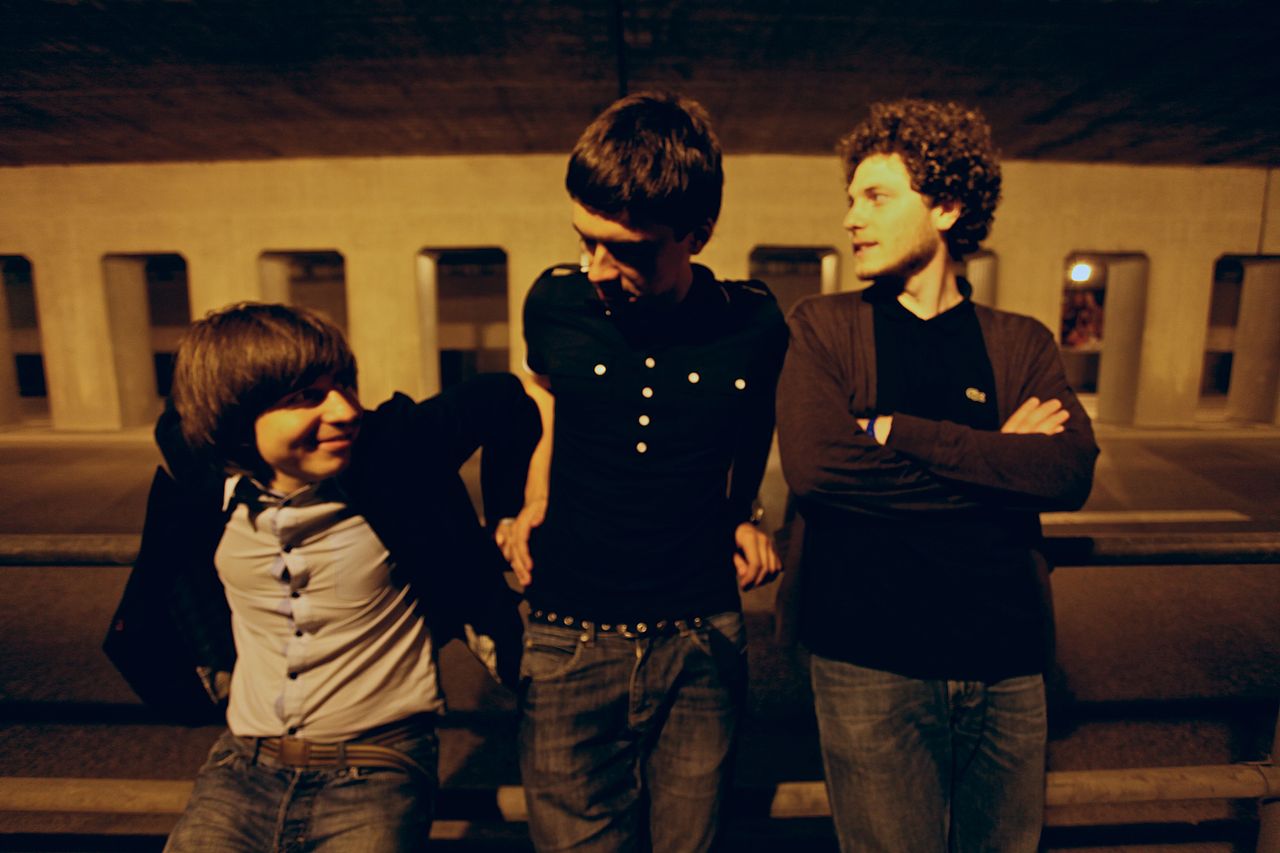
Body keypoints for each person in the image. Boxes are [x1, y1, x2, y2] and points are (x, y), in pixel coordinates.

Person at [776, 99, 1099, 852]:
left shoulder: (1019, 342)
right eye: (850, 198)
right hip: (868, 663)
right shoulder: (822, 327)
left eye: (878, 196)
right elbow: (821, 469)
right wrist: (998, 458)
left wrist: (900, 433)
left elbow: (1068, 470)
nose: (853, 217)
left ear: (947, 207)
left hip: (1008, 666)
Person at [104, 302, 539, 852]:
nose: (344, 409)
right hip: (241, 765)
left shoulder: (391, 452)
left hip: (379, 767)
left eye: (344, 385)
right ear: (236, 416)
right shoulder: (201, 480)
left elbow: (505, 398)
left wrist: (509, 513)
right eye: (305, 397)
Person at [496, 91, 788, 852]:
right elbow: (545, 396)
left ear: (698, 233)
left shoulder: (753, 322)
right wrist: (533, 497)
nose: (597, 267)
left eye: (628, 248)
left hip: (701, 639)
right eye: (586, 239)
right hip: (565, 639)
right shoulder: (554, 302)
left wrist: (743, 512)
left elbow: (755, 424)